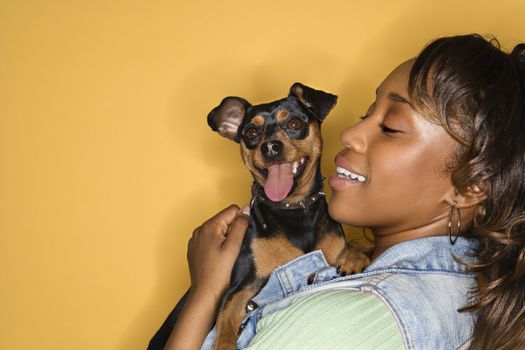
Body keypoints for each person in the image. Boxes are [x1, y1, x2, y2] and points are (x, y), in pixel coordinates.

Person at [160, 34, 525, 349]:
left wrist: (206, 292)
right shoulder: (460, 297)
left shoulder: (344, 321)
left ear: (468, 189)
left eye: (391, 127)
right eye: (367, 113)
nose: (349, 133)